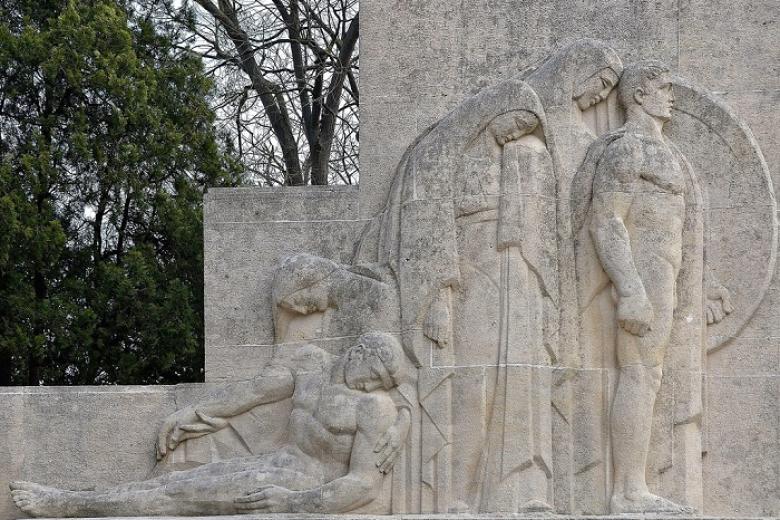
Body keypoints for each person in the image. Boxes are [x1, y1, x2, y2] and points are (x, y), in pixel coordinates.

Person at [364, 39, 622, 512]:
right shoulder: (453, 158)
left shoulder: (530, 154)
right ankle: (457, 495)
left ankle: (524, 491)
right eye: (598, 85)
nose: (597, 99)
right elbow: (431, 222)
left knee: (524, 384)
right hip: (477, 271)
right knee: (473, 386)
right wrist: (439, 295)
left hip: (518, 281)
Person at [10, 333, 408, 517]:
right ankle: (75, 499)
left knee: (177, 497)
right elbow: (252, 393)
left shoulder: (375, 407)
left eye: (383, 384)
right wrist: (192, 413)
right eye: (374, 375)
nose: (373, 386)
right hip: (276, 464)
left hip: (299, 485)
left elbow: (364, 484)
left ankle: (65, 505)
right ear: (359, 352)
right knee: (171, 481)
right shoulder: (312, 364)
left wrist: (292, 503)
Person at [575, 61, 732, 513]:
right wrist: (631, 290)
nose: (672, 96)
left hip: (666, 278)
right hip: (642, 279)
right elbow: (606, 221)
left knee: (651, 374)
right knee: (639, 373)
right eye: (663, 88)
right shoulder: (627, 149)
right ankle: (627, 490)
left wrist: (702, 283)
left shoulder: (666, 151)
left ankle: (634, 486)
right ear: (639, 95)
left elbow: (677, 226)